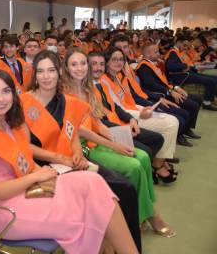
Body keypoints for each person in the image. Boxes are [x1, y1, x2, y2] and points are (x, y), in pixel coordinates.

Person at [0, 68, 139, 254]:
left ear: (13, 93)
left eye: (5, 91)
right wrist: (36, 177)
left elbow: (25, 160)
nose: (0, 99)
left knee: (94, 184)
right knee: (87, 213)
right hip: (5, 210)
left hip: (28, 189)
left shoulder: (11, 123)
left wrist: (48, 175)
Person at [22, 51, 142, 251]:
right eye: (41, 71)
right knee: (115, 189)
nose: (46, 76)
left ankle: (122, 246)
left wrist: (77, 153)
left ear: (60, 72)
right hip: (43, 165)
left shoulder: (66, 101)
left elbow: (74, 133)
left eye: (51, 70)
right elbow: (25, 146)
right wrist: (62, 158)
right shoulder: (24, 102)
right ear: (34, 74)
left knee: (126, 188)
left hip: (72, 161)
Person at [61, 48, 176, 236]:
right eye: (74, 64)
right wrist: (114, 145)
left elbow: (96, 121)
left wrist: (117, 139)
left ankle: (144, 212)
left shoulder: (88, 89)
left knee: (144, 156)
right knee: (133, 166)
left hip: (97, 140)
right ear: (66, 68)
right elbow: (80, 130)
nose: (80, 68)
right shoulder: (64, 94)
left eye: (83, 63)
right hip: (80, 146)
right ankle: (149, 215)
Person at [102, 47, 179, 183]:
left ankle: (159, 161)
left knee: (172, 119)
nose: (118, 62)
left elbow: (129, 100)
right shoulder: (104, 80)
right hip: (123, 117)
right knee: (171, 123)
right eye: (114, 59)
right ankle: (158, 164)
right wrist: (138, 114)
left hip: (130, 111)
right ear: (106, 61)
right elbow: (116, 109)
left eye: (121, 59)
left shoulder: (119, 76)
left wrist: (144, 107)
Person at [136, 44, 202, 140]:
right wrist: (170, 91)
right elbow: (152, 85)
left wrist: (176, 88)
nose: (159, 54)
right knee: (192, 105)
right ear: (148, 54)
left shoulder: (153, 64)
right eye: (156, 52)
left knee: (197, 99)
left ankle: (187, 128)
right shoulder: (144, 67)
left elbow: (164, 81)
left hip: (167, 90)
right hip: (159, 95)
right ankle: (181, 133)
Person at [165, 35, 217, 110]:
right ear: (178, 42)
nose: (185, 48)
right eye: (184, 45)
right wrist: (185, 66)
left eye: (187, 46)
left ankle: (212, 99)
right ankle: (207, 103)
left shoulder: (177, 52)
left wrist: (192, 68)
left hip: (185, 73)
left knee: (215, 78)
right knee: (211, 81)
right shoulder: (173, 52)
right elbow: (170, 66)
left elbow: (182, 65)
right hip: (180, 76)